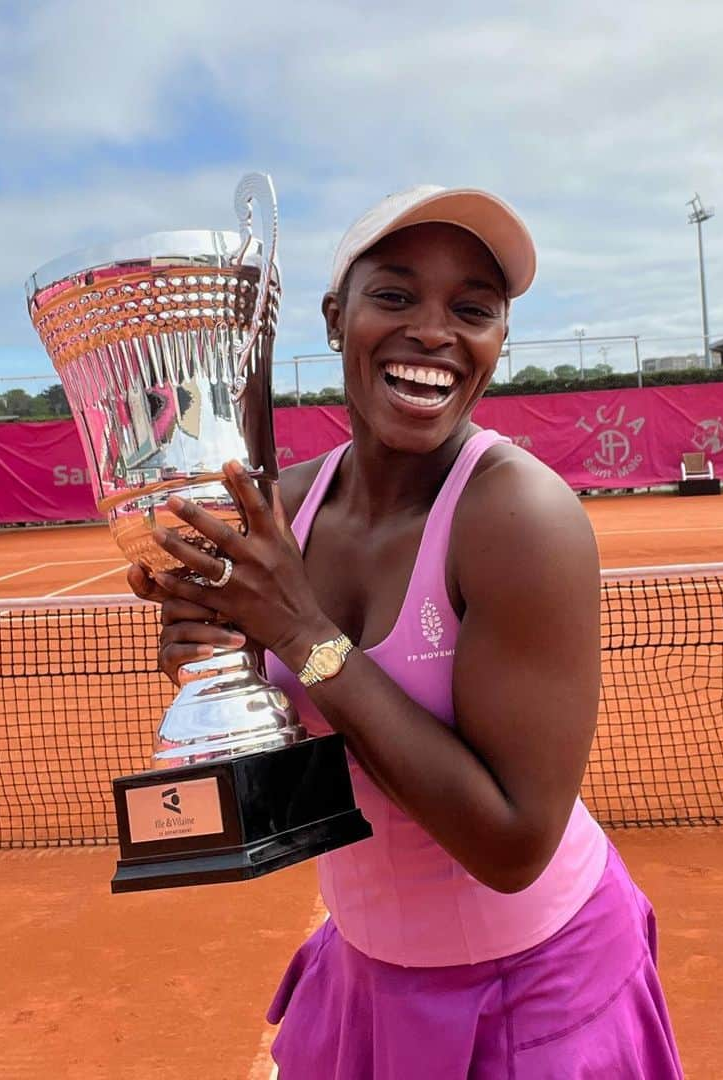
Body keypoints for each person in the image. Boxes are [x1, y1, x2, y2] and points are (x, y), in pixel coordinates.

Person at [128, 185, 683, 1078]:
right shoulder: (283, 508)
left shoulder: (520, 517)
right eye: (394, 294)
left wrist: (302, 633)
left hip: (535, 991)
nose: (435, 331)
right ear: (335, 316)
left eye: (474, 309)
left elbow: (511, 845)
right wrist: (213, 682)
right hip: (366, 977)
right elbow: (316, 775)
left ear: (500, 342)